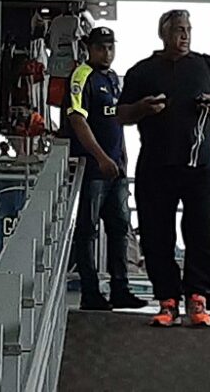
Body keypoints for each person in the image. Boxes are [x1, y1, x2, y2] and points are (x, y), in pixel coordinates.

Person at [118, 10, 210, 327]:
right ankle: (167, 300)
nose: (184, 35)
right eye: (178, 30)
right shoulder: (142, 70)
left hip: (200, 164)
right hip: (156, 164)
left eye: (188, 29)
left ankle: (197, 297)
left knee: (203, 232)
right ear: (163, 33)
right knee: (156, 234)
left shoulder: (206, 65)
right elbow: (121, 114)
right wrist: (143, 108)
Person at [65, 27, 147, 311]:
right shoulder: (82, 76)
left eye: (111, 47)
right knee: (87, 230)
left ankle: (120, 288)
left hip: (116, 169)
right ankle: (90, 291)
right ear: (89, 48)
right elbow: (77, 119)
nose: (107, 53)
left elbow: (118, 123)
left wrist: (122, 160)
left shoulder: (112, 79)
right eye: (101, 47)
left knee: (120, 228)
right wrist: (99, 157)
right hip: (92, 168)